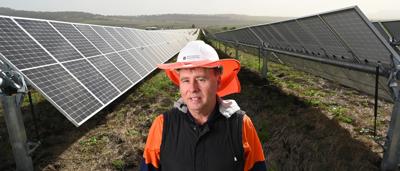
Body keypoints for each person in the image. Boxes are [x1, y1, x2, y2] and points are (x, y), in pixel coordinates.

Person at [140, 40, 266, 171]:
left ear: (218, 81)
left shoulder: (241, 125)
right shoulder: (162, 125)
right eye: (185, 80)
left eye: (201, 79)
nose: (193, 88)